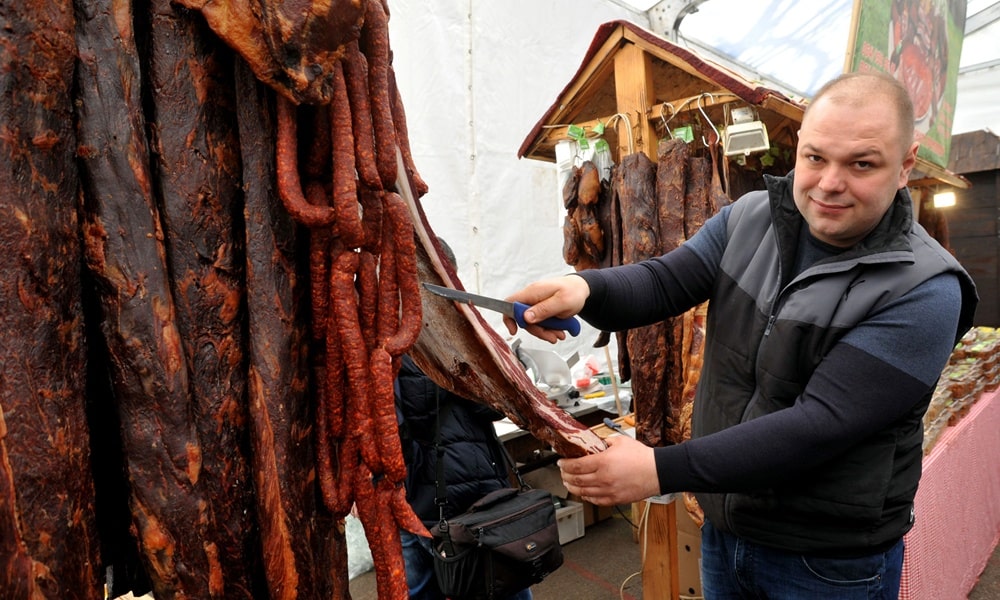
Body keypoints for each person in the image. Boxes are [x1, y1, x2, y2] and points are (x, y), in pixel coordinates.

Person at [501, 72, 978, 599]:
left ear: (906, 165)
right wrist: (583, 291)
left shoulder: (926, 289)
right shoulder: (751, 218)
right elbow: (664, 280)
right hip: (726, 532)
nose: (828, 183)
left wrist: (661, 468)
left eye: (861, 164)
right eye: (816, 157)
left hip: (826, 562)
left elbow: (818, 427)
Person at [396, 240, 532, 600]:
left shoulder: (454, 333)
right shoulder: (427, 339)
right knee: (502, 582)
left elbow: (501, 403)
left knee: (434, 587)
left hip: (429, 498)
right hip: (454, 498)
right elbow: (499, 403)